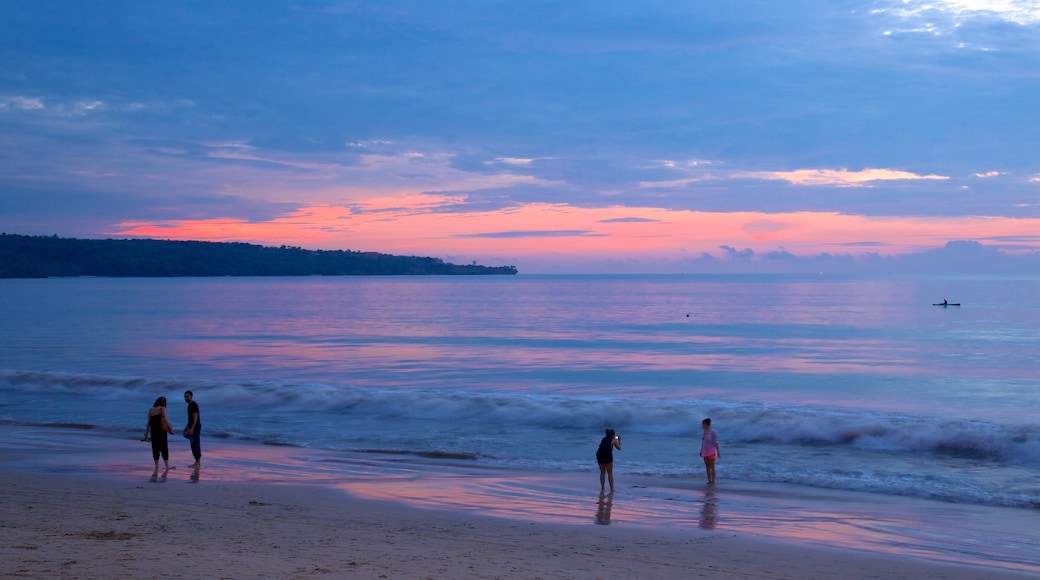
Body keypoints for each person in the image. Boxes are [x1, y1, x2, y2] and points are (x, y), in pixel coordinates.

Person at [143, 396, 175, 474]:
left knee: (155, 449)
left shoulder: (151, 410)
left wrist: (146, 434)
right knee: (164, 448)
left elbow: (148, 423)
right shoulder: (162, 408)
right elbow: (165, 419)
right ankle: (167, 466)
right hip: (161, 431)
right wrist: (170, 428)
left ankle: (157, 467)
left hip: (153, 432)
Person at [596, 428, 622, 492]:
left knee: (602, 472)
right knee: (610, 473)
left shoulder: (604, 439)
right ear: (613, 435)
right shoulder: (614, 440)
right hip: (607, 456)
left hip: (599, 455)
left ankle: (602, 488)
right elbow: (619, 448)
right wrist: (619, 440)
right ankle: (612, 489)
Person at [183, 390, 202, 469]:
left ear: (191, 396)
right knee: (193, 445)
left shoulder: (194, 405)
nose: (186, 398)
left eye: (187, 396)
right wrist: (187, 427)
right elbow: (190, 419)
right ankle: (196, 462)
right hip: (192, 427)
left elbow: (195, 417)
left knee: (196, 444)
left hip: (196, 427)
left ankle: (198, 463)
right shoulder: (189, 405)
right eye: (185, 396)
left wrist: (192, 428)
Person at [699, 418, 720, 484]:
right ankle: (709, 480)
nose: (702, 425)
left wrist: (718, 452)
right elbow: (703, 442)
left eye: (703, 424)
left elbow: (716, 442)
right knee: (707, 466)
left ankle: (713, 480)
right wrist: (701, 450)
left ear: (706, 424)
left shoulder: (713, 432)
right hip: (704, 451)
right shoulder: (704, 432)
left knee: (712, 466)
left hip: (712, 450)